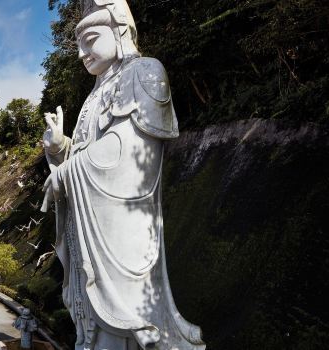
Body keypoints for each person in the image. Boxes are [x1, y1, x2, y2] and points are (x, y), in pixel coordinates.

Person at [40, 1, 205, 349]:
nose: (83, 53)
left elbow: (129, 151)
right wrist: (59, 149)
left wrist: (67, 173)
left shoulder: (145, 72)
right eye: (79, 45)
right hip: (89, 227)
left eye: (91, 39)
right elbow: (87, 153)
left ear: (119, 30)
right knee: (91, 326)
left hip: (122, 226)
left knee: (122, 329)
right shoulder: (93, 96)